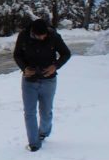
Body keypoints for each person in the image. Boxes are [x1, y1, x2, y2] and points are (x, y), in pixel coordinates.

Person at [13, 17, 71, 152]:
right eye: (40, 36)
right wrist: (24, 68)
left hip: (48, 79)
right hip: (29, 80)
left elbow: (66, 53)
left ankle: (43, 133)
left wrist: (55, 66)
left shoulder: (53, 36)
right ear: (33, 32)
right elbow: (17, 55)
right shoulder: (23, 36)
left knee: (46, 111)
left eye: (45, 35)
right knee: (29, 112)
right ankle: (34, 143)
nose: (43, 38)